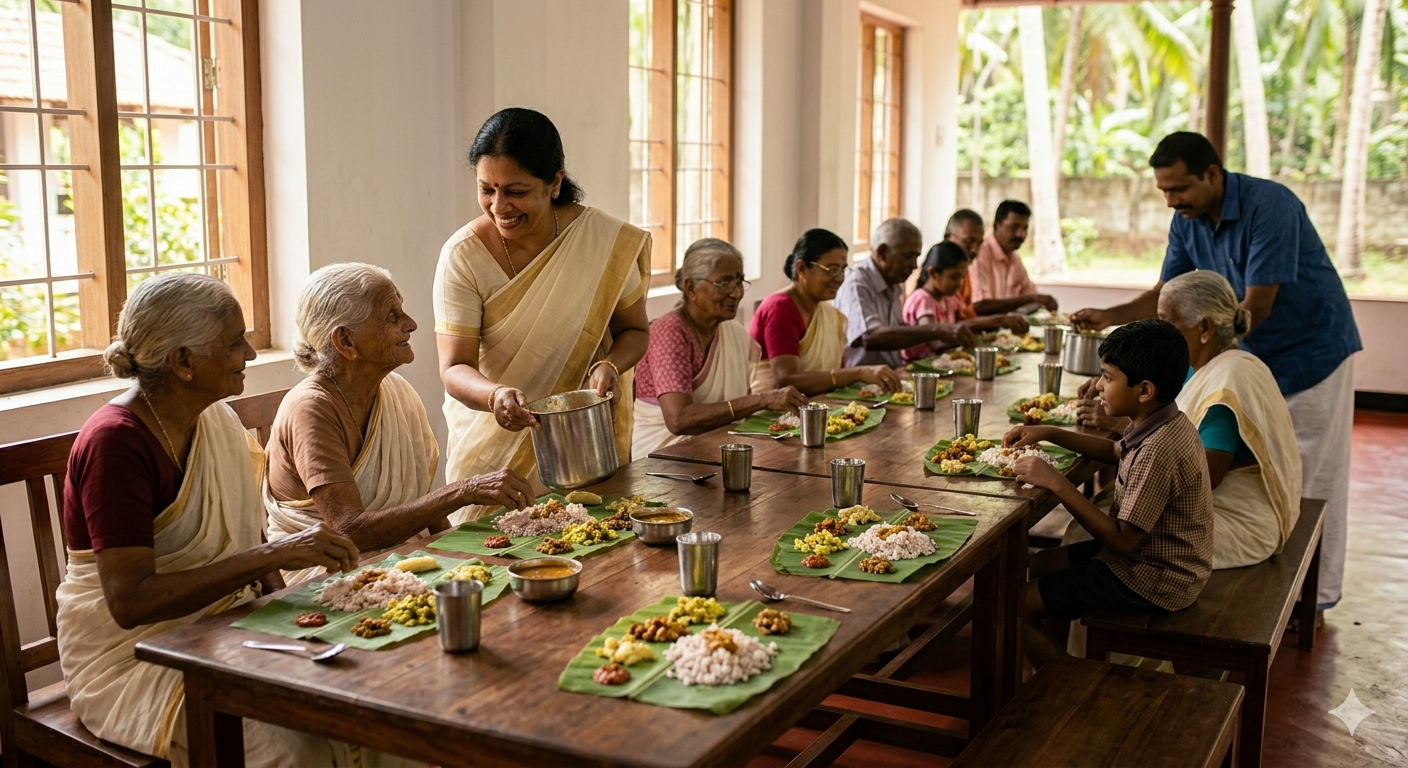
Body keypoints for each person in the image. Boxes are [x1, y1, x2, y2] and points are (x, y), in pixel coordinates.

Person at [54, 274, 368, 765]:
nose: (249, 353)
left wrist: (293, 619)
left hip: (231, 631)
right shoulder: (115, 442)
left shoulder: (214, 419)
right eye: (234, 342)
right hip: (135, 660)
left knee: (366, 709)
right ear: (182, 362)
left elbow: (249, 539)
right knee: (293, 750)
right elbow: (130, 601)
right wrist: (278, 553)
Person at [1070, 131, 1362, 610]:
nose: (1171, 201)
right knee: (1250, 465)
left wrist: (1208, 367)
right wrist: (1111, 320)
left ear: (1211, 174)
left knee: (1308, 478)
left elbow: (1256, 305)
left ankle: (1316, 598)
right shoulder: (1187, 224)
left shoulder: (1270, 207)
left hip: (1309, 352)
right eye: (1163, 191)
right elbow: (1167, 293)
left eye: (1179, 189)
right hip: (1231, 354)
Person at [435, 108, 651, 522]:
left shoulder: (602, 243)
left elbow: (635, 331)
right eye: (486, 189)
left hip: (583, 446)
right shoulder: (463, 255)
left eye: (516, 191)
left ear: (555, 182)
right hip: (494, 451)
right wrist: (495, 395)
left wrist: (610, 364)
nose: (499, 207)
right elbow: (455, 365)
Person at [265, 263, 535, 584]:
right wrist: (465, 490)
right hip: (328, 574)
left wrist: (464, 558)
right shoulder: (311, 409)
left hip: (402, 557)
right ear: (346, 342)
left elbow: (419, 506)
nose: (411, 324)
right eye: (392, 316)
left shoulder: (395, 391)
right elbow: (350, 531)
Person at [1004, 319, 1213, 668]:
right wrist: (1050, 432)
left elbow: (1122, 541)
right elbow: (1115, 452)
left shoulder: (1159, 450)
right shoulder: (1162, 420)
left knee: (1010, 606)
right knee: (1041, 564)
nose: (1098, 386)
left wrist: (1057, 482)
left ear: (1144, 390)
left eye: (1107, 377)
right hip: (1156, 559)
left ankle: (1066, 688)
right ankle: (1051, 659)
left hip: (1156, 575)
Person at [633, 239, 808, 456]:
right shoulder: (670, 332)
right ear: (691, 287)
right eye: (724, 282)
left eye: (739, 280)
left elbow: (739, 410)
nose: (736, 293)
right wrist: (764, 399)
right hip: (662, 454)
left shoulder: (732, 333)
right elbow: (679, 420)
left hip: (718, 444)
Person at [748, 228, 901, 394]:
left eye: (843, 269)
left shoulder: (832, 316)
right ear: (801, 268)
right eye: (832, 269)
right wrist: (859, 372)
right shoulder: (780, 307)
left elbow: (835, 377)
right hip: (772, 413)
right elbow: (787, 380)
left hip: (821, 406)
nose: (840, 278)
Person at [833, 217, 974, 368]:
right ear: (883, 253)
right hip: (858, 385)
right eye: (907, 257)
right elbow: (870, 336)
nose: (914, 265)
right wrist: (936, 330)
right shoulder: (856, 284)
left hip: (892, 375)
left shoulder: (893, 285)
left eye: (917, 257)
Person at [902, 242, 1030, 363]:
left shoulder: (949, 298)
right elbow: (936, 343)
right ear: (933, 273)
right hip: (919, 368)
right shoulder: (922, 300)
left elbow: (964, 322)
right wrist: (970, 337)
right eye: (954, 277)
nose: (959, 283)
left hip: (942, 363)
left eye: (963, 277)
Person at [943, 209, 1030, 332]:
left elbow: (968, 317)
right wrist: (1000, 320)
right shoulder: (936, 275)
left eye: (979, 244)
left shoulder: (964, 274)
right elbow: (943, 329)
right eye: (968, 242)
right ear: (948, 238)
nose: (974, 250)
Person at [969, 200, 1060, 311]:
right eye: (1014, 227)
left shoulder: (1014, 258)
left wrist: (1039, 301)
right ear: (996, 226)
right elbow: (979, 306)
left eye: (1025, 228)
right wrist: (1030, 299)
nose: (1020, 234)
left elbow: (1031, 294)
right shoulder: (980, 254)